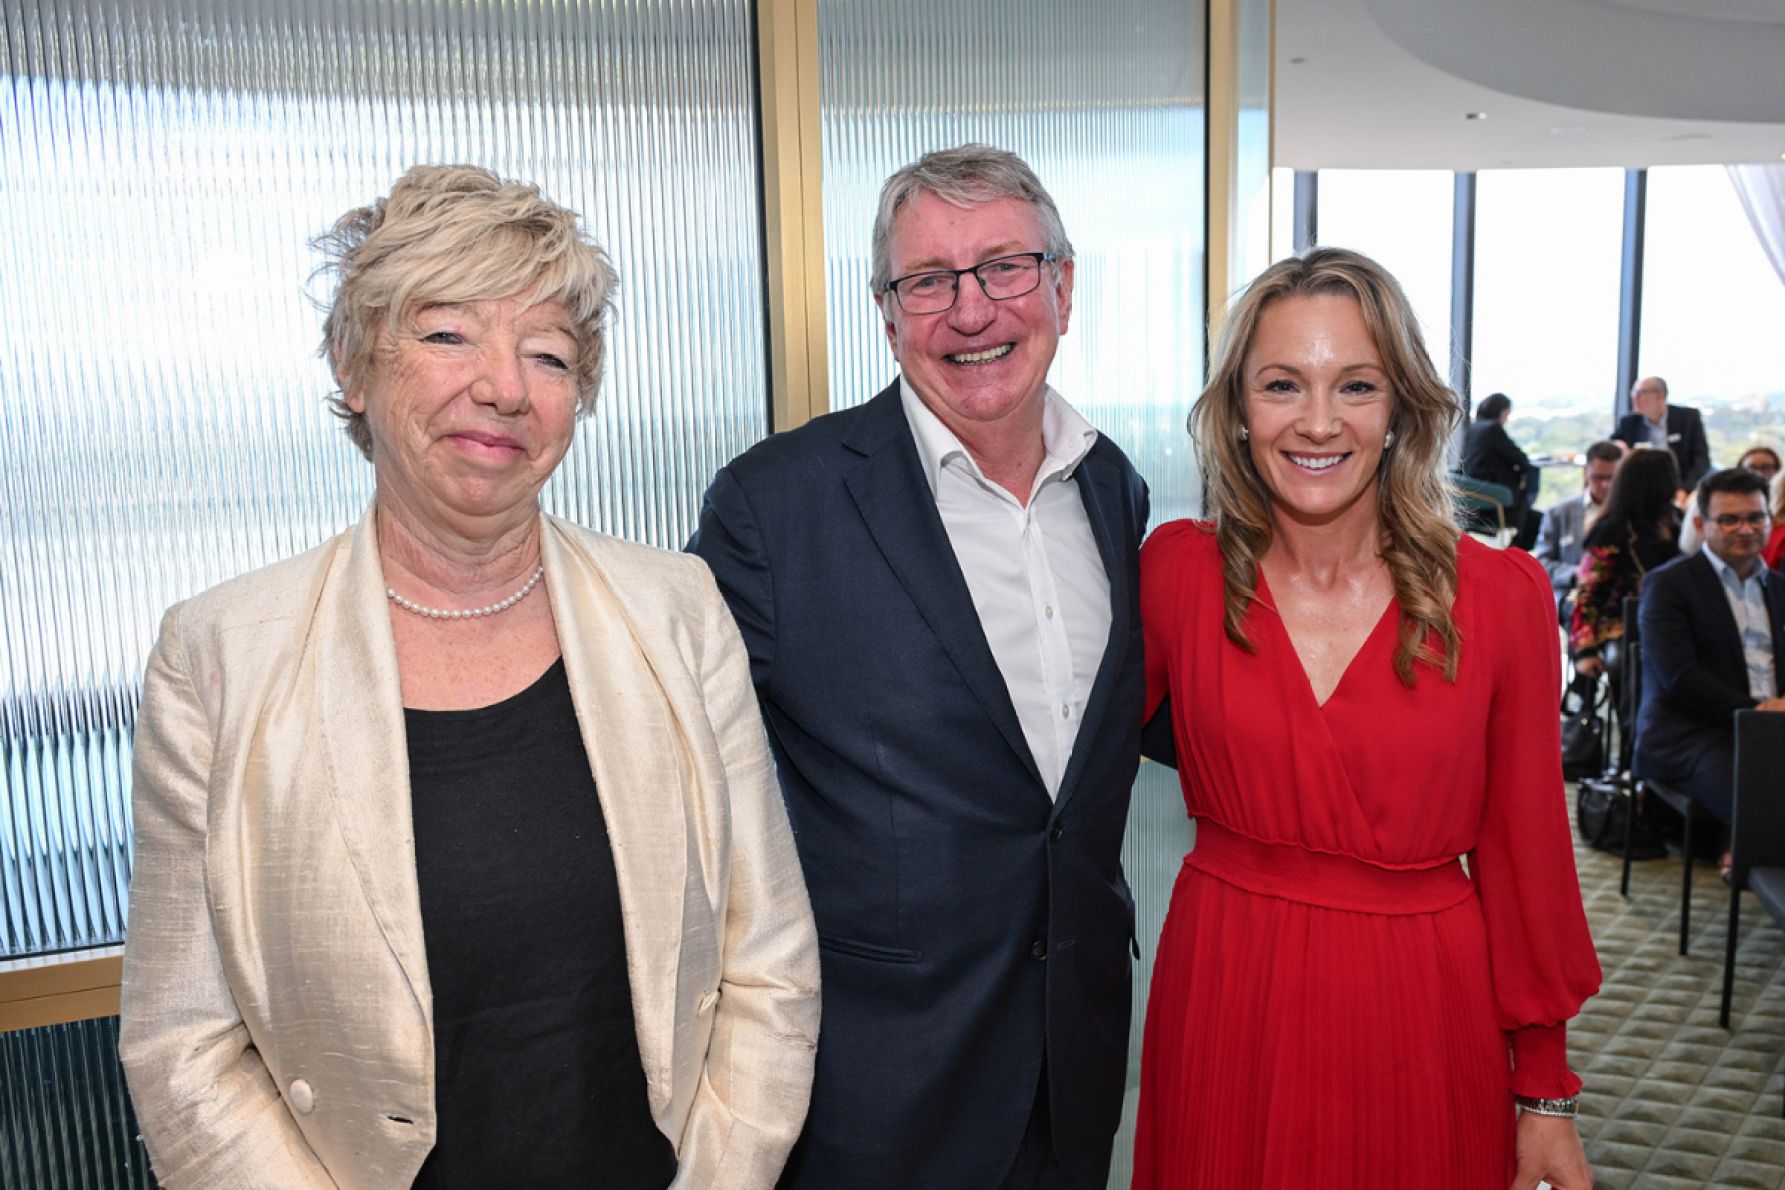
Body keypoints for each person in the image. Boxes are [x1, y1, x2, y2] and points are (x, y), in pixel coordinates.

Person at [119, 165, 820, 1190]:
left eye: (548, 352)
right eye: (448, 334)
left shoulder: (676, 610)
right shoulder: (221, 651)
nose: (503, 386)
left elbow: (770, 959)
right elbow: (184, 1042)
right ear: (354, 366)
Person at [690, 144, 1148, 1190]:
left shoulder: (1111, 487)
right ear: (887, 314)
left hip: (1073, 1065)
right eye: (929, 281)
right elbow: (672, 765)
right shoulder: (775, 506)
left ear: (1063, 288)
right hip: (874, 1088)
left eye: (1006, 267)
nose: (972, 311)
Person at [1133, 247, 1599, 1189]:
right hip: (1225, 990)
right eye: (1281, 384)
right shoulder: (1175, 574)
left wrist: (1544, 1089)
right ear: (1237, 409)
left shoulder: (1499, 596)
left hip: (1421, 1004)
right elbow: (1054, 769)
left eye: (1355, 385)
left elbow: (1527, 854)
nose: (1318, 421)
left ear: (1400, 410)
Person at [1635, 468, 1785, 827]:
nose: (1746, 529)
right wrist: (1759, 711)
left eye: (1756, 518)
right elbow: (1681, 679)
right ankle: (1742, 853)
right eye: (1729, 520)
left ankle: (1737, 850)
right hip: (1695, 731)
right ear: (1701, 525)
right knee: (1762, 799)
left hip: (1775, 725)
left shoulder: (1780, 588)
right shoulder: (1668, 586)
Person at [1569, 447, 1682, 683]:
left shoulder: (1678, 522)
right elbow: (1588, 591)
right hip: (1624, 627)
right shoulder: (1611, 530)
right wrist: (1584, 650)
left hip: (1675, 623)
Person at [1534, 440, 1622, 608]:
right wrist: (1576, 573)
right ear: (1585, 473)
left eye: (1612, 478)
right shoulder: (1559, 514)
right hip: (1571, 594)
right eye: (1599, 478)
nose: (1606, 485)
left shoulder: (1629, 515)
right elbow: (1542, 563)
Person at [1461, 391, 1540, 549]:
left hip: (1474, 496)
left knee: (1533, 519)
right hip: (1494, 499)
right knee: (1536, 517)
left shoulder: (1474, 427)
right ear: (1503, 411)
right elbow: (1520, 458)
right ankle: (1526, 508)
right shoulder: (1492, 429)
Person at [1613, 375, 1710, 493]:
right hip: (1640, 487)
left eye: (1640, 393)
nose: (1635, 398)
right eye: (1633, 393)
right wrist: (1618, 446)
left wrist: (1685, 489)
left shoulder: (1688, 419)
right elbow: (1612, 445)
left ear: (1660, 395)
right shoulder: (1629, 422)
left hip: (1680, 485)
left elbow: (1701, 460)